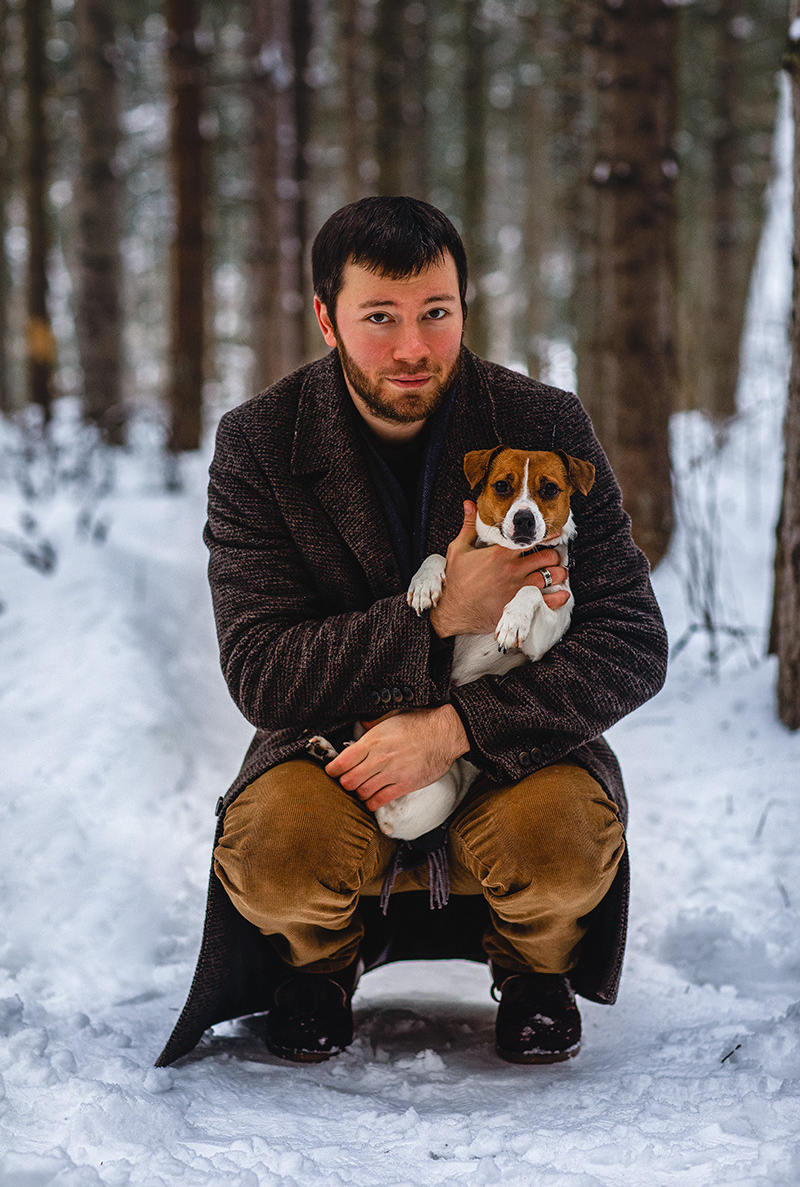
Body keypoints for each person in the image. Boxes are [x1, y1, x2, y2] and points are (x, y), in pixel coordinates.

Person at [156, 197, 668, 1069]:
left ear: (465, 306)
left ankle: (534, 971)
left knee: (566, 840)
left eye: (437, 313)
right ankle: (319, 967)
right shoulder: (259, 444)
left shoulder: (543, 426)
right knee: (273, 849)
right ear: (327, 317)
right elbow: (261, 671)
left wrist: (456, 729)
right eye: (380, 317)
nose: (413, 347)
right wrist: (434, 616)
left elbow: (630, 642)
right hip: (338, 755)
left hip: (520, 752)